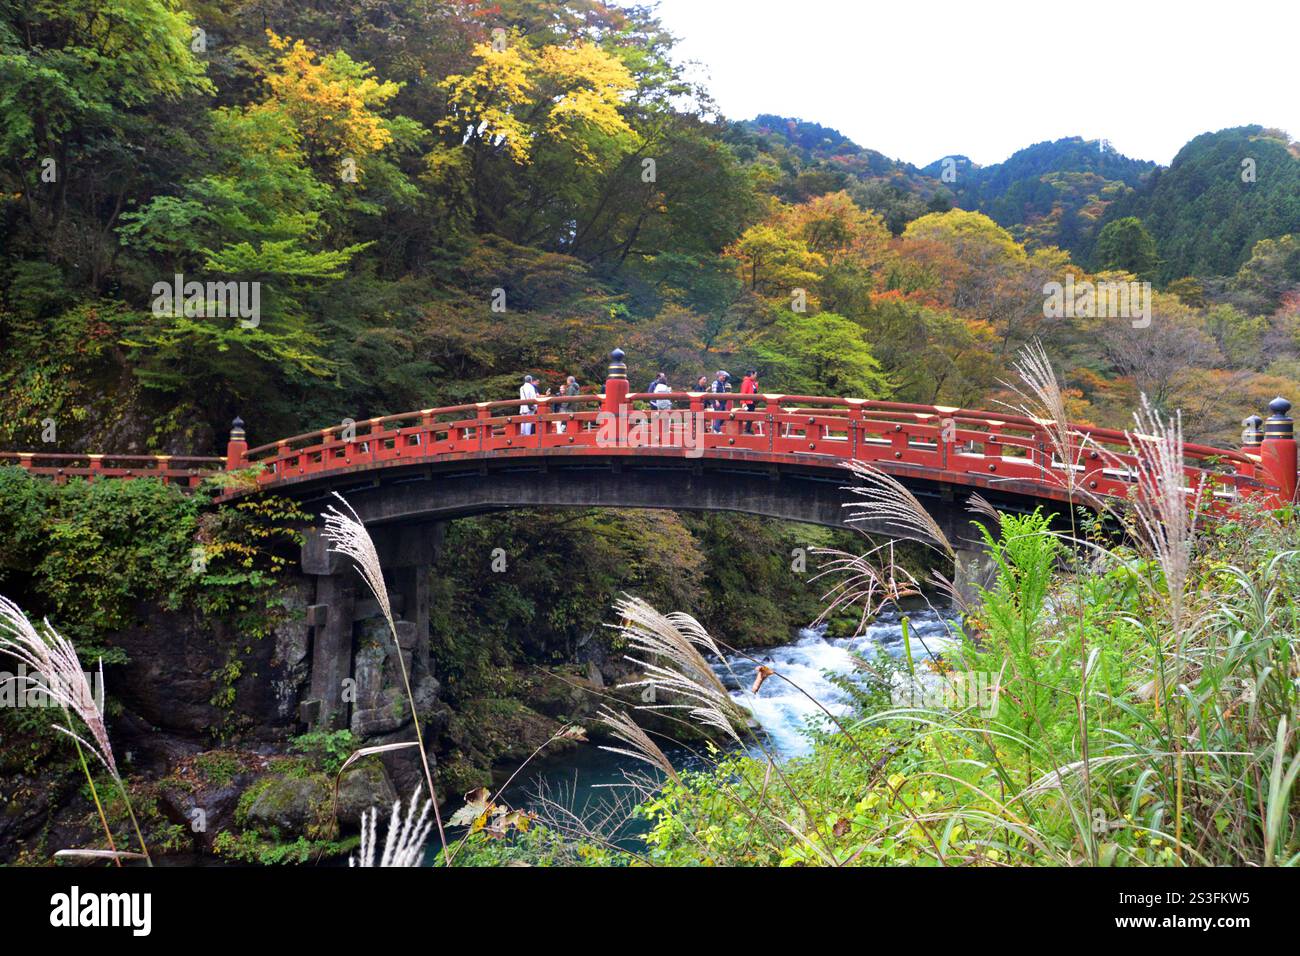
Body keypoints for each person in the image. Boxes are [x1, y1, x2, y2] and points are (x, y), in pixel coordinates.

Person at [740, 368, 758, 434]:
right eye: (755, 374)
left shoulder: (752, 382)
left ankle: (748, 429)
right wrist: (743, 402)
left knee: (751, 416)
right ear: (751, 374)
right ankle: (746, 430)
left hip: (752, 402)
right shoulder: (746, 382)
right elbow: (743, 393)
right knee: (749, 416)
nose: (756, 376)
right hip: (747, 403)